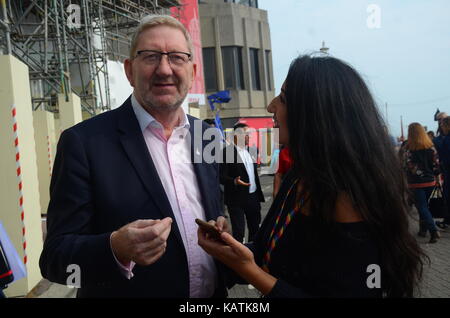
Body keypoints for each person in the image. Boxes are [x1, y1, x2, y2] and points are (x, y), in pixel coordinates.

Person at [198, 55, 427, 297]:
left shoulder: (346, 196)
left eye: (284, 99)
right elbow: (272, 250)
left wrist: (250, 271)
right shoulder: (300, 176)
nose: (271, 106)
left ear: (316, 113)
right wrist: (227, 250)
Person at [39, 14, 227, 298]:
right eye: (150, 57)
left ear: (193, 70)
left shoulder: (206, 135)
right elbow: (56, 260)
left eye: (176, 57)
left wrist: (222, 226)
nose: (164, 69)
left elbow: (216, 209)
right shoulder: (83, 143)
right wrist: (114, 249)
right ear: (129, 70)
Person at [219, 123, 265, 243]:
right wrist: (234, 181)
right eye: (246, 134)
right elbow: (220, 176)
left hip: (253, 196)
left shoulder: (252, 151)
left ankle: (253, 255)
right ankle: (238, 257)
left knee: (255, 229)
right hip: (236, 198)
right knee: (239, 232)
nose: (249, 137)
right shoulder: (227, 152)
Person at [402, 123, 441, 243]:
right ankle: (423, 230)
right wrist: (437, 178)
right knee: (425, 208)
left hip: (416, 184)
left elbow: (407, 166)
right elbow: (436, 165)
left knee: (422, 208)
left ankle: (433, 230)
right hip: (430, 182)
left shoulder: (408, 149)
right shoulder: (431, 147)